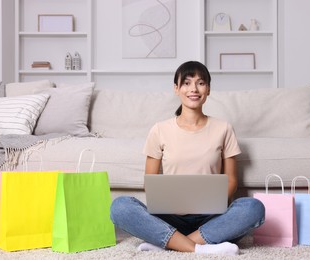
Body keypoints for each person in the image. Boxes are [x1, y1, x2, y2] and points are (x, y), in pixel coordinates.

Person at [110, 61, 265, 256]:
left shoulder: (223, 128)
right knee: (120, 207)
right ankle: (202, 248)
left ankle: (170, 243)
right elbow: (150, 181)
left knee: (253, 207)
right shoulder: (159, 130)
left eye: (200, 83)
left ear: (208, 89)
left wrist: (207, 202)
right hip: (169, 217)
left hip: (211, 217)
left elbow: (232, 180)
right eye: (187, 83)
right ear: (176, 88)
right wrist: (175, 203)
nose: (194, 89)